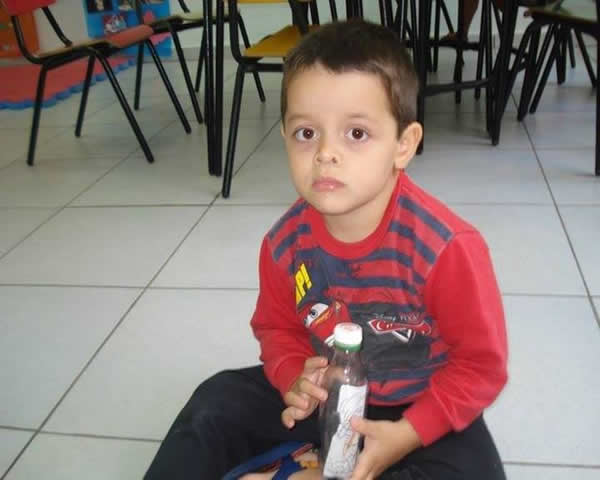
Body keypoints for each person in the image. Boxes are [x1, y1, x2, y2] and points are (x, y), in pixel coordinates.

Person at [144, 19, 508, 480]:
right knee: (215, 403)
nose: (325, 154)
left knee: (476, 472)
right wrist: (295, 379)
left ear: (403, 145)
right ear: (284, 137)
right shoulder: (283, 245)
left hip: (418, 403)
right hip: (324, 397)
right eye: (306, 133)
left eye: (356, 133)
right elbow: (277, 328)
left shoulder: (446, 249)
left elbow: (480, 366)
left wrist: (410, 432)